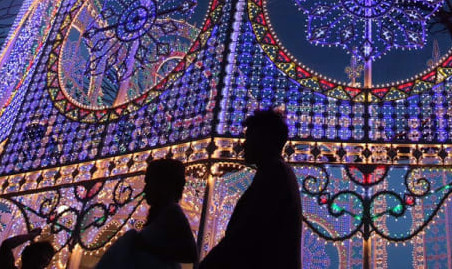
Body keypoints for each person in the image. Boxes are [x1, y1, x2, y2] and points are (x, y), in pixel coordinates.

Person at [200, 109, 302, 269]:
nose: (244, 144)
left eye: (249, 137)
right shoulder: (275, 172)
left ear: (265, 140)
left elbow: (245, 234)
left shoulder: (274, 174)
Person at [96, 157, 197, 269]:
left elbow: (191, 253)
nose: (145, 189)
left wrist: (144, 247)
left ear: (162, 186)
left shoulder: (172, 212)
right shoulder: (164, 213)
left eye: (148, 183)